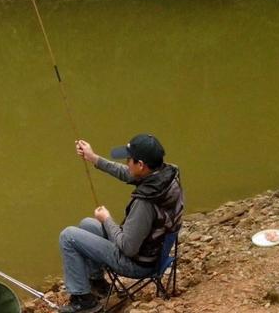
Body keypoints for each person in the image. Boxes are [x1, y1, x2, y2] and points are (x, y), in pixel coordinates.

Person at [57, 134, 184, 313]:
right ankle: (97, 282)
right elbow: (127, 174)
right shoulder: (166, 177)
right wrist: (94, 158)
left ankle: (83, 302)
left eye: (128, 160)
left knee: (68, 236)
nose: (126, 163)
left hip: (138, 263)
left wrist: (107, 219)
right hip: (155, 250)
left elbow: (127, 247)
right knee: (87, 224)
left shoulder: (146, 203)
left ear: (140, 165)